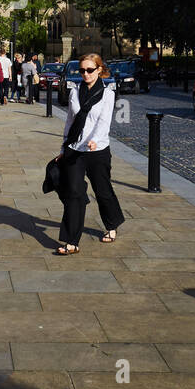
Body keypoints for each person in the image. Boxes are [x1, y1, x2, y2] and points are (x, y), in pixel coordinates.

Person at [53, 52, 124, 255]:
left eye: (90, 70)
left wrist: (95, 140)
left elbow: (103, 122)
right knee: (73, 193)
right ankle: (71, 241)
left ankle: (112, 224)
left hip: (97, 150)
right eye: (82, 70)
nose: (85, 74)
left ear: (99, 70)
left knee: (102, 191)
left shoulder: (108, 94)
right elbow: (70, 122)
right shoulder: (75, 92)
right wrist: (63, 148)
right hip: (75, 149)